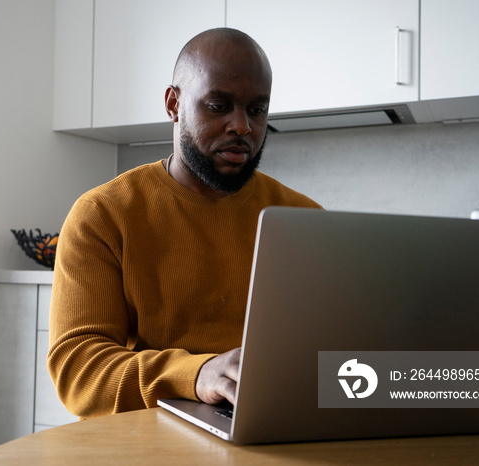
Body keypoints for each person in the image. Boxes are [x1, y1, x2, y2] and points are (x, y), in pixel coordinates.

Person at [47, 27, 322, 419]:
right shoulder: (102, 215)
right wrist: (197, 375)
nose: (242, 127)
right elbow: (78, 371)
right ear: (174, 104)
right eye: (219, 105)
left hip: (275, 427)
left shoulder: (304, 220)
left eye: (257, 109)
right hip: (151, 438)